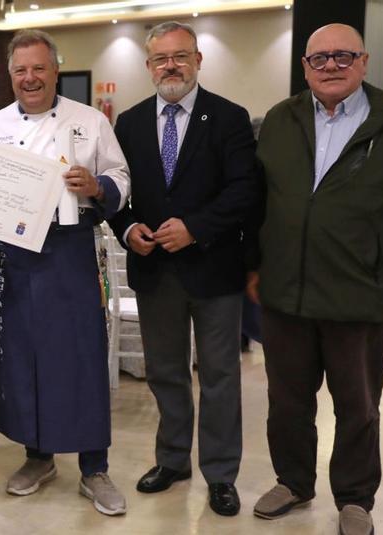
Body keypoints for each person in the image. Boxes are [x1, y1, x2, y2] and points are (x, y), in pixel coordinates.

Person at [247, 24, 383, 535]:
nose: (330, 66)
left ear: (363, 61)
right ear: (305, 67)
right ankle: (292, 481)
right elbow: (258, 202)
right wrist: (253, 265)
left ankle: (356, 497)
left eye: (342, 56)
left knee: (358, 405)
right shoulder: (281, 119)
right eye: (319, 58)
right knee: (286, 401)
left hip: (361, 292)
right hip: (285, 291)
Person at [0, 29, 130, 516]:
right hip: (14, 256)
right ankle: (38, 457)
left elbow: (121, 179)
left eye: (39, 68)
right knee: (23, 357)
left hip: (70, 250)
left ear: (56, 70)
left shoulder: (90, 121)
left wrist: (97, 185)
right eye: (20, 70)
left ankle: (94, 467)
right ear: (9, 75)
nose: (29, 78)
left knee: (81, 357)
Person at [108, 21, 259, 517]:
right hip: (155, 272)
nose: (170, 66)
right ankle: (172, 459)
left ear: (198, 60)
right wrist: (129, 230)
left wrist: (195, 227)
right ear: (149, 66)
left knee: (218, 377)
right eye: (160, 59)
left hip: (214, 269)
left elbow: (244, 191)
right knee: (166, 373)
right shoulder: (127, 123)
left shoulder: (230, 118)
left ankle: (220, 474)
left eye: (179, 56)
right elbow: (117, 190)